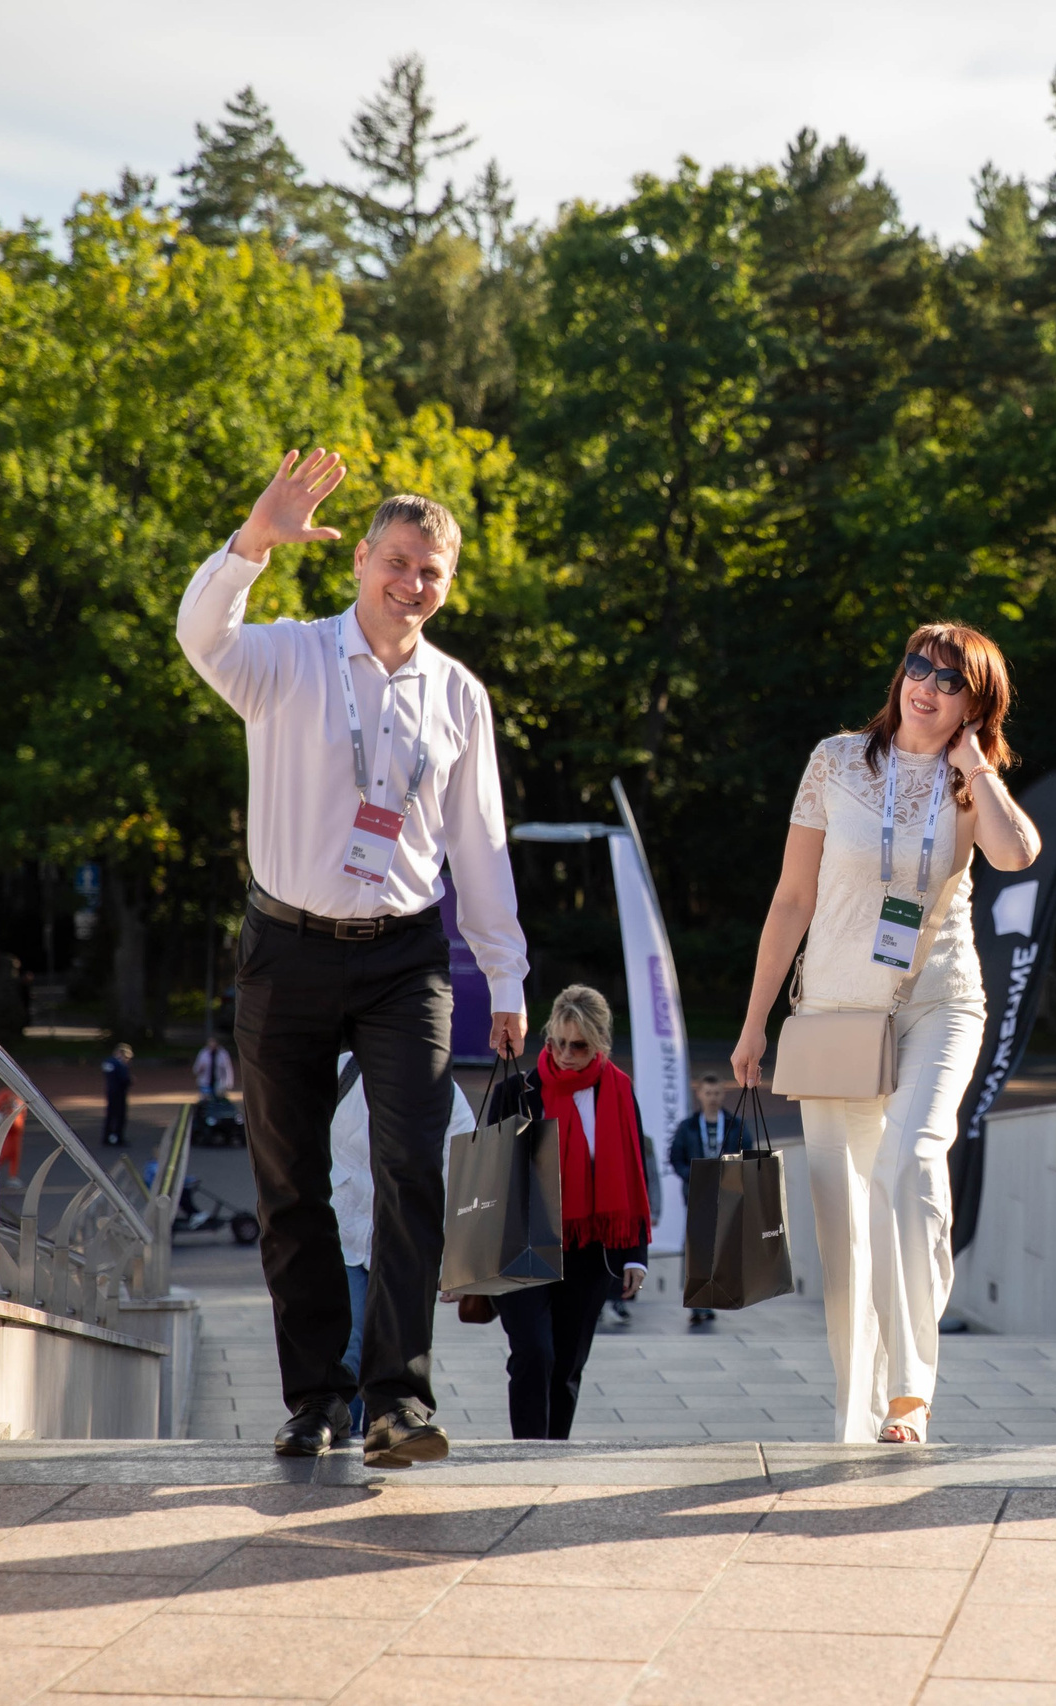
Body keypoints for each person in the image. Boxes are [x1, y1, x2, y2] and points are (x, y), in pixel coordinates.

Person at [176, 450, 530, 1469]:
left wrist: (502, 977)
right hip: (284, 943)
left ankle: (397, 1401)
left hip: (403, 957)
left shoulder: (458, 694)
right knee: (289, 1182)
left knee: (412, 1163)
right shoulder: (284, 657)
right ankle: (315, 1397)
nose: (413, 584)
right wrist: (249, 545)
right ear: (361, 560)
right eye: (398, 562)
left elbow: (481, 841)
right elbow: (201, 634)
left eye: (433, 571)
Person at [733, 626, 1043, 1444]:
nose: (927, 686)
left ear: (977, 704)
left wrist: (974, 763)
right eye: (919, 667)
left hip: (938, 1001)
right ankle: (855, 1408)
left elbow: (1018, 854)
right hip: (837, 1011)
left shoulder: (973, 782)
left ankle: (910, 1389)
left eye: (951, 680)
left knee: (909, 1164)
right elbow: (791, 901)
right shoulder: (836, 761)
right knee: (844, 1226)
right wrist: (757, 1020)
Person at [491, 986, 651, 1439]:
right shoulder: (518, 1092)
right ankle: (526, 1455)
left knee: (566, 1365)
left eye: (578, 1045)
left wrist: (634, 1254)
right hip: (520, 1246)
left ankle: (552, 1455)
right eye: (557, 1042)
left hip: (590, 1251)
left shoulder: (618, 1091)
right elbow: (484, 1180)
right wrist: (463, 1256)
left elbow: (634, 1169)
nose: (564, 1054)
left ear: (600, 1042)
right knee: (533, 1353)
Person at [328, 1048, 478, 1435]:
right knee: (351, 1345)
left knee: (384, 1352)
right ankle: (340, 1431)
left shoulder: (444, 1094)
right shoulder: (344, 1070)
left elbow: (460, 1181)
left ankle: (371, 1434)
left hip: (400, 1242)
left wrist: (455, 1266)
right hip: (342, 1232)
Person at [666, 1072, 748, 1324]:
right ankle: (697, 1302)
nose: (712, 1098)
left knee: (720, 1249)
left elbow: (748, 1154)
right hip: (697, 1194)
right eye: (707, 1093)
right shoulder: (688, 1126)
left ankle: (712, 1298)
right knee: (697, 1248)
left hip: (727, 1194)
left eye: (716, 1093)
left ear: (723, 1094)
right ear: (699, 1094)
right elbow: (675, 1157)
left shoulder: (735, 1124)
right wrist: (692, 1176)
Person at [0, 1087, 26, 1184]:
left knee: (15, 1154)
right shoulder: (5, 1094)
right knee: (3, 1153)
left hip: (17, 1130)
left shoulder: (21, 1097)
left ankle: (13, 1176)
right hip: (5, 1130)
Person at [101, 1044, 134, 1147]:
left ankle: (107, 1136)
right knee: (120, 1116)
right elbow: (124, 1079)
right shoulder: (119, 1064)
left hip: (111, 1092)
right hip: (119, 1092)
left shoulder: (108, 1062)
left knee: (110, 1115)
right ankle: (118, 1137)